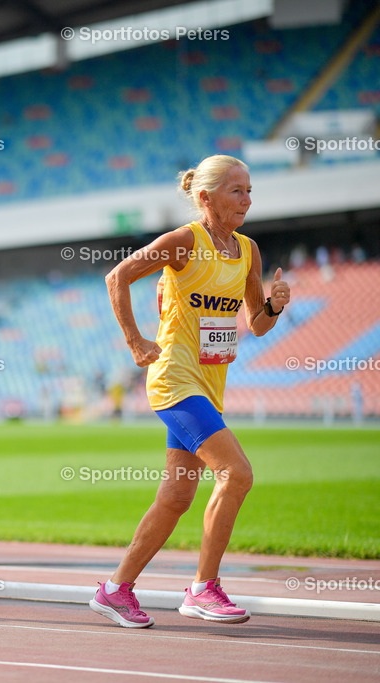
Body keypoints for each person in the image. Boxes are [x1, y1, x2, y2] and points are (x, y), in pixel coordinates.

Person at [90, 155, 291, 628]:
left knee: (177, 497)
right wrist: (136, 341)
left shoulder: (248, 251)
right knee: (237, 474)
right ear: (206, 198)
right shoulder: (184, 242)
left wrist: (274, 307)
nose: (247, 199)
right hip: (175, 381)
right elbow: (116, 276)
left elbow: (256, 326)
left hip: (209, 385)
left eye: (249, 190)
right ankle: (204, 588)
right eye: (236, 191)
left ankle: (115, 589)